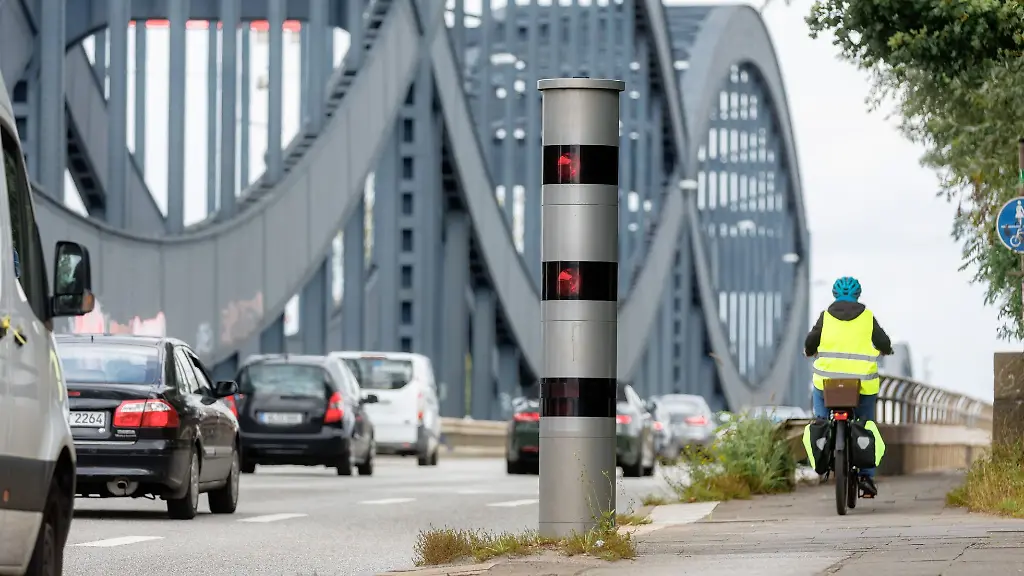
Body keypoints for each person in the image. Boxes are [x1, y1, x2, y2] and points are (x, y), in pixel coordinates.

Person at [803, 276, 893, 498]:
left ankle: (823, 460)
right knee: (866, 424)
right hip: (862, 384)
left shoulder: (825, 317)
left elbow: (810, 341)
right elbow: (883, 342)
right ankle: (866, 477)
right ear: (857, 295)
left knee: (821, 421)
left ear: (835, 295)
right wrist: (886, 350)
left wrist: (809, 351)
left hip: (827, 383)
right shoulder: (867, 317)